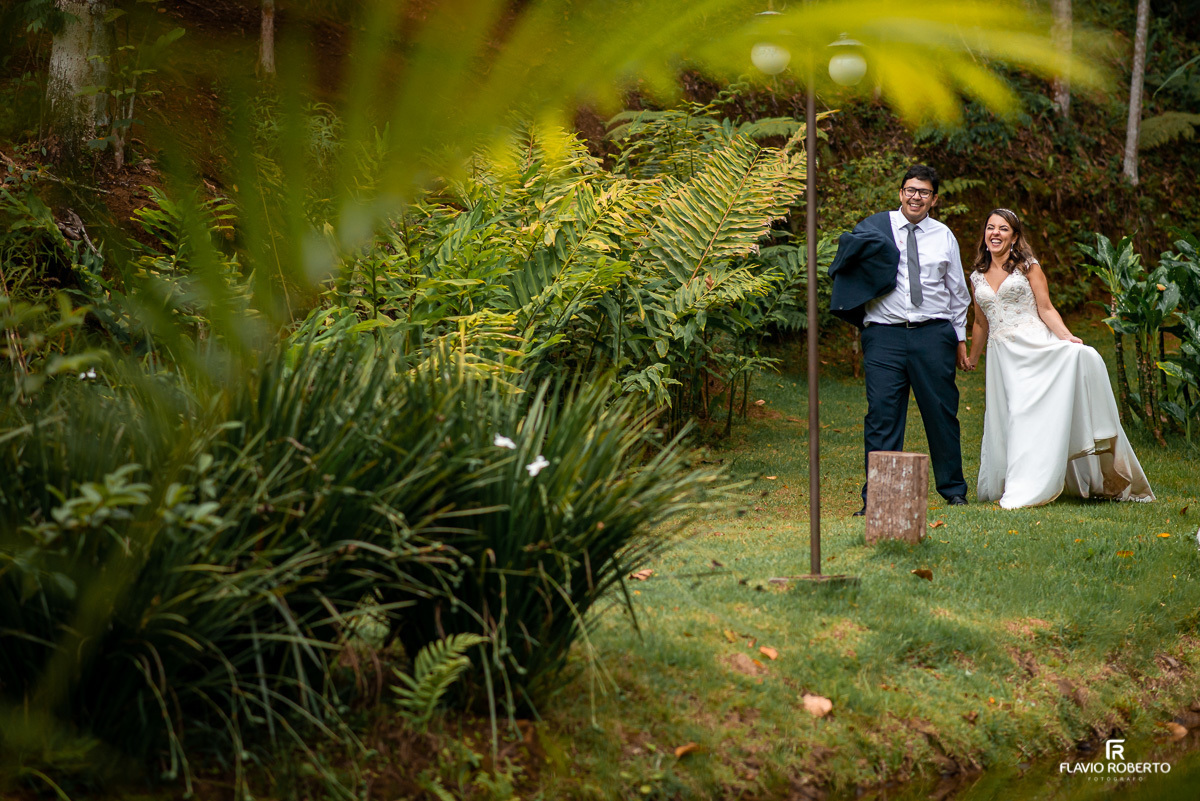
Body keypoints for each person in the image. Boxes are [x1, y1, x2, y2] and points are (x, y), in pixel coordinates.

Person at [964, 208, 1154, 508]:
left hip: (1033, 346)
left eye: (1003, 229)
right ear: (984, 235)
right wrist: (972, 358)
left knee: (1078, 360)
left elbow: (1046, 308)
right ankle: (1015, 476)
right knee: (1012, 416)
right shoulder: (976, 276)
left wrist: (1067, 336)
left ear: (1014, 237)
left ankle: (1033, 481)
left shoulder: (1028, 267)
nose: (995, 233)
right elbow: (980, 322)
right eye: (990, 228)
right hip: (1002, 358)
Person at [829, 165, 971, 516]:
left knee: (941, 415)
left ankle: (954, 491)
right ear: (900, 193)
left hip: (933, 336)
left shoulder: (943, 236)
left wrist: (959, 339)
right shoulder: (875, 229)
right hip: (884, 336)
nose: (916, 197)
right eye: (910, 190)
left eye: (924, 192)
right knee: (881, 418)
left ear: (934, 199)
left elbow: (958, 293)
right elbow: (849, 265)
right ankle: (877, 497)